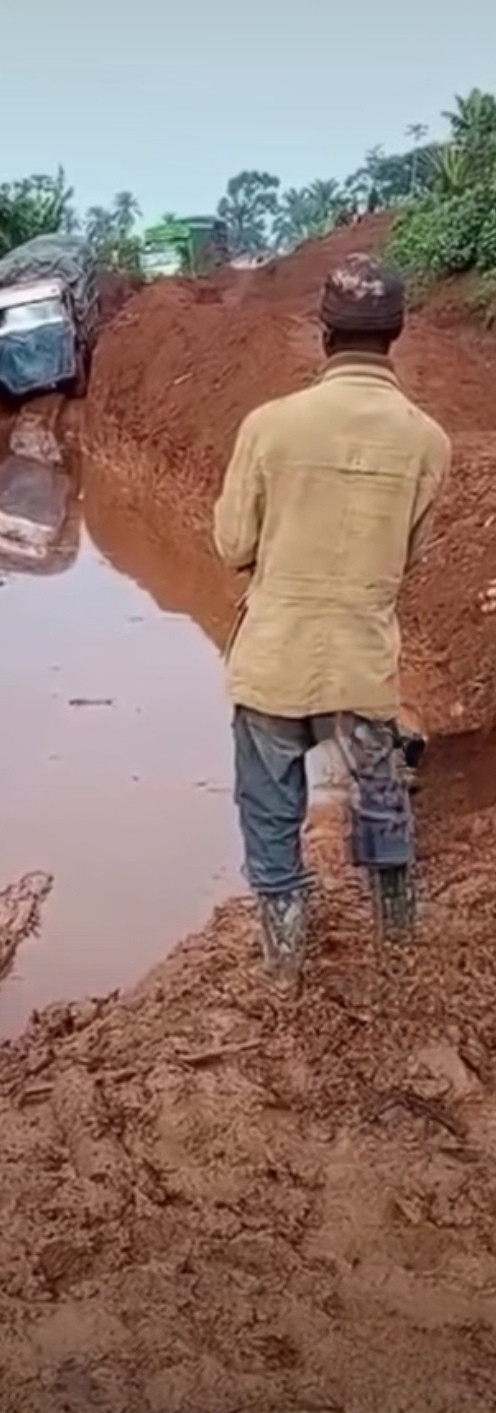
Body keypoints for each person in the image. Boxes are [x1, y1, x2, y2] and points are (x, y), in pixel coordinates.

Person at [212, 253, 451, 980]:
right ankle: (397, 953)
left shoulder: (269, 426)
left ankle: (284, 965)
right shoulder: (427, 441)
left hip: (274, 659)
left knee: (270, 813)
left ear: (324, 331)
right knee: (381, 810)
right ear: (396, 332)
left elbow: (232, 545)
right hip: (362, 660)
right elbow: (410, 556)